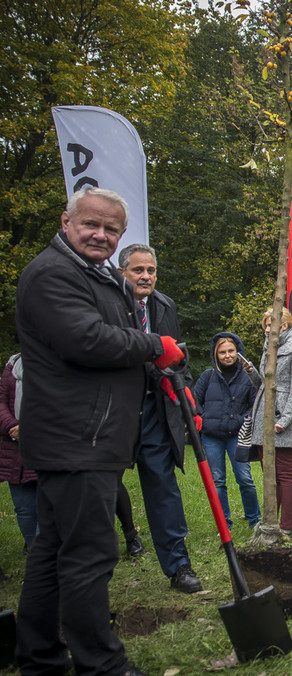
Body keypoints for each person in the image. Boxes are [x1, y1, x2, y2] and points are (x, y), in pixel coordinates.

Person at [15, 186, 183, 675]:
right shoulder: (52, 274)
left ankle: (40, 656)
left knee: (52, 551)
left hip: (92, 435)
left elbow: (118, 335)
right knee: (89, 554)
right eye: (91, 224)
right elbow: (85, 339)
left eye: (111, 229)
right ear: (67, 220)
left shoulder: (99, 277)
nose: (100, 235)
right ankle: (101, 664)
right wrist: (154, 344)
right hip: (77, 437)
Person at [118, 242, 201, 594]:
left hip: (155, 409)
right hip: (115, 409)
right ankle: (88, 569)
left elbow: (176, 354)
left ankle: (179, 566)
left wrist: (187, 395)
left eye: (151, 270)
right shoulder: (107, 301)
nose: (146, 276)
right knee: (98, 488)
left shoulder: (164, 305)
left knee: (163, 485)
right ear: (123, 272)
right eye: (138, 270)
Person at [248, 308, 292, 537]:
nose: (265, 330)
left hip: (282, 417)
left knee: (284, 473)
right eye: (265, 325)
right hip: (263, 414)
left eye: (268, 325)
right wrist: (251, 371)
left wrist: (284, 420)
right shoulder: (269, 347)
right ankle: (272, 523)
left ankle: (287, 527)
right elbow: (264, 383)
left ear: (282, 326)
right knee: (269, 474)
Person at [193, 332, 261, 530]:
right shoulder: (208, 376)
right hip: (212, 436)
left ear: (238, 351)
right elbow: (195, 401)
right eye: (222, 352)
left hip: (237, 436)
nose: (227, 355)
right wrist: (204, 420)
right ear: (216, 354)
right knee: (217, 480)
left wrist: (241, 420)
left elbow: (254, 404)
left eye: (231, 351)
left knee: (245, 478)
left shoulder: (247, 378)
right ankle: (224, 523)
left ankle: (254, 519)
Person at [0, 353, 37, 551]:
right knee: (24, 510)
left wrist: (30, 429)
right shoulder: (13, 364)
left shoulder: (56, 362)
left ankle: (48, 565)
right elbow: (1, 401)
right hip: (15, 452)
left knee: (50, 510)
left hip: (46, 448)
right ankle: (36, 557)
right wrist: (11, 426)